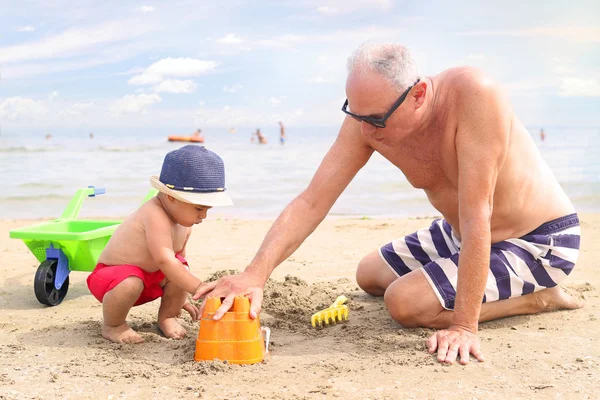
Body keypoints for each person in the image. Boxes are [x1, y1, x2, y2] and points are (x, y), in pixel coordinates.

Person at [194, 42, 584, 365]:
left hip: (536, 240)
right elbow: (312, 201)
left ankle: (538, 299)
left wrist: (464, 325)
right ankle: (464, 287)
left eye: (376, 119)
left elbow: (477, 213)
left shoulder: (475, 96)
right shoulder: (369, 116)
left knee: (405, 303)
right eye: (355, 113)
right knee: (370, 274)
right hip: (458, 233)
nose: (364, 130)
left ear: (418, 94)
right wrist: (254, 274)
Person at [87, 145, 233, 344]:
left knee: (181, 266)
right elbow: (164, 260)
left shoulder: (183, 222)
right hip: (114, 281)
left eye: (207, 209)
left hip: (149, 279)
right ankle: (113, 325)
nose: (204, 216)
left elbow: (178, 261)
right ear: (172, 197)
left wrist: (179, 296)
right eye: (199, 208)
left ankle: (167, 316)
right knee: (133, 280)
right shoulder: (154, 213)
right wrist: (199, 287)